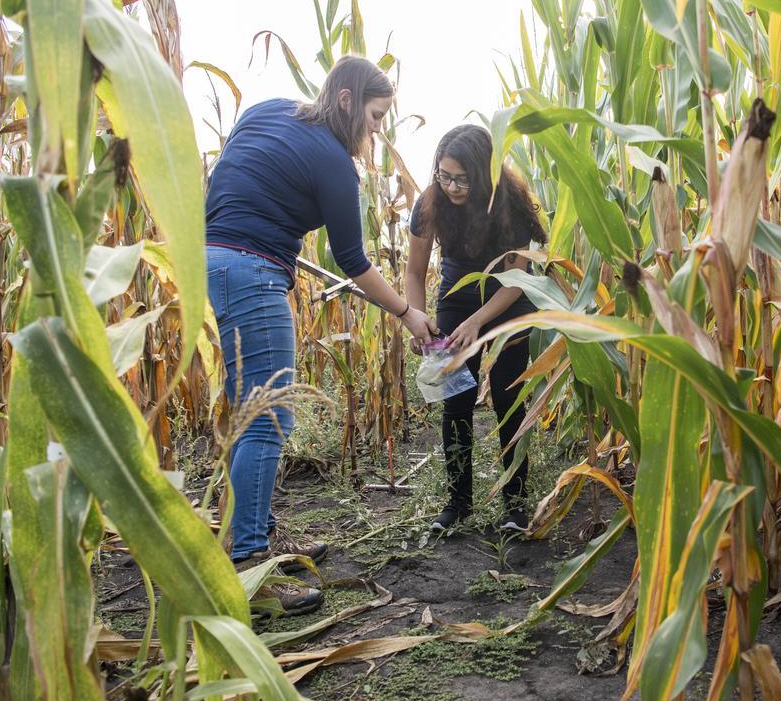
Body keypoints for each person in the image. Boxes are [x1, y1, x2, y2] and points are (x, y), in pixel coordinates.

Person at [206, 55, 437, 611]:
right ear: (346, 102)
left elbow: (230, 179)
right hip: (253, 269)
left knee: (247, 415)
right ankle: (248, 573)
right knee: (268, 420)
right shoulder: (334, 161)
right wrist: (408, 312)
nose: (378, 131)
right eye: (376, 117)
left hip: (209, 259)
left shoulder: (266, 111)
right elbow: (354, 260)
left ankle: (245, 540)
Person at [405, 125, 548, 534]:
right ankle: (458, 503)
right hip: (455, 299)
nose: (450, 186)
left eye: (461, 178)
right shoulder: (429, 204)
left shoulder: (513, 206)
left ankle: (516, 506)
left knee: (507, 401)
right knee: (456, 402)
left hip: (509, 300)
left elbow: (517, 280)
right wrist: (417, 319)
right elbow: (414, 272)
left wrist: (478, 323)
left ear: (483, 174)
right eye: (443, 175)